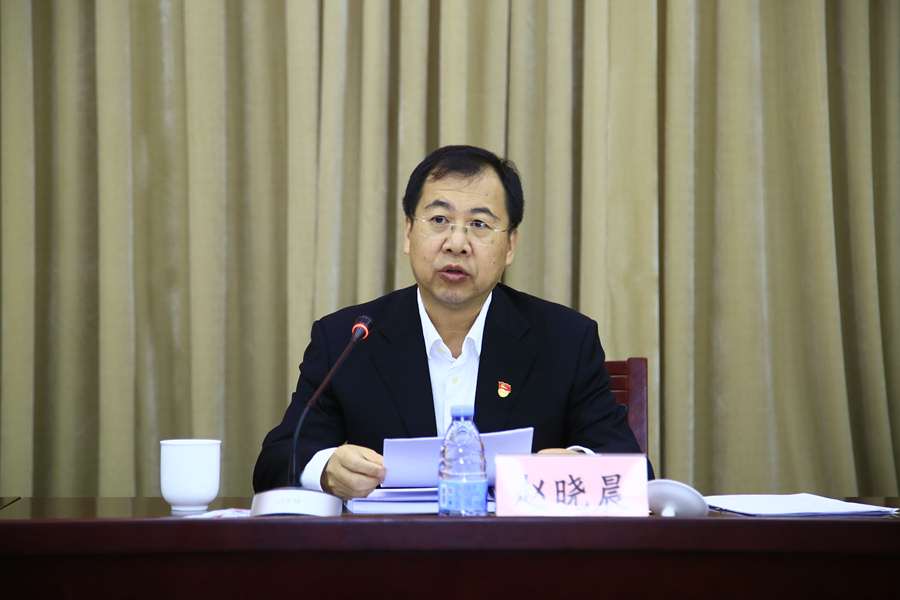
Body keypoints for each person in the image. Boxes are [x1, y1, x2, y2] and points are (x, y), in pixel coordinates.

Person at [253, 145, 648, 498]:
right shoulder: (348, 339)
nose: (456, 243)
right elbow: (276, 462)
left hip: (520, 552)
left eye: (479, 225)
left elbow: (636, 474)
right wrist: (326, 470)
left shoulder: (564, 340)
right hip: (386, 552)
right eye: (439, 219)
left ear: (510, 245)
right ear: (409, 232)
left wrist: (579, 466)